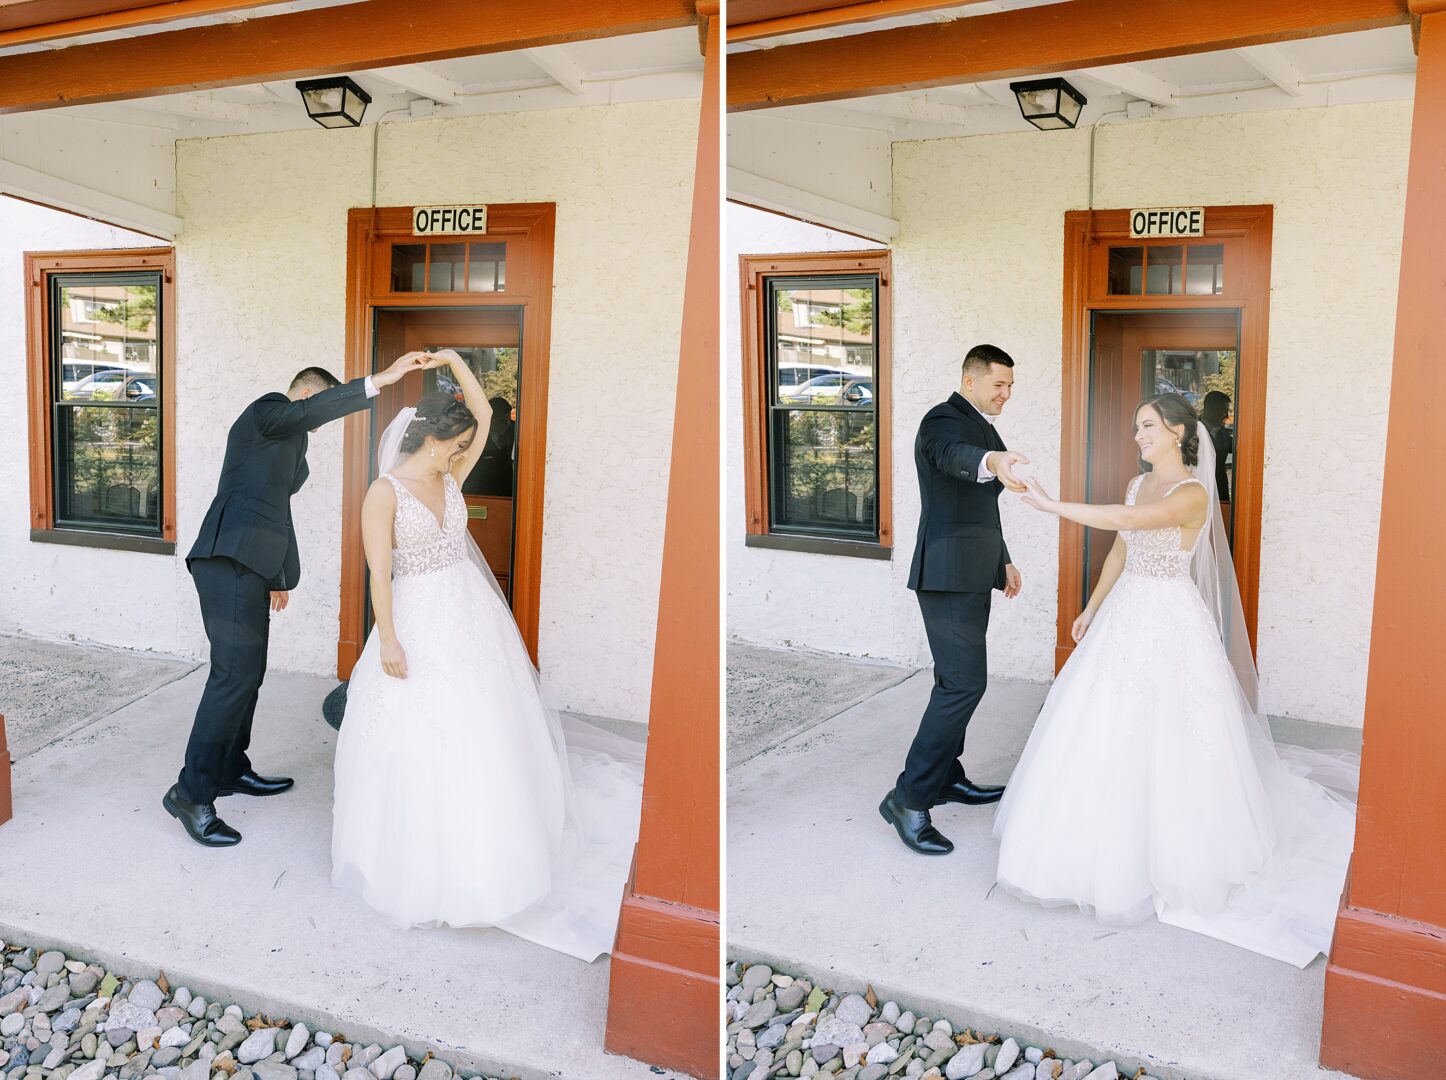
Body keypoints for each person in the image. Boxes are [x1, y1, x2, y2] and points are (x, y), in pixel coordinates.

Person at [994, 393, 1357, 966]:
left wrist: (1053, 505)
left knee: (1174, 729)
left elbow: (1129, 521)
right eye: (1136, 425)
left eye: (1147, 425)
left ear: (1178, 431)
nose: (1137, 434)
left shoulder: (1191, 493)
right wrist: (1092, 606)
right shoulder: (1140, 483)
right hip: (1126, 615)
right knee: (1104, 727)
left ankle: (1176, 852)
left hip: (1170, 617)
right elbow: (1121, 546)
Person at [331, 350, 643, 962]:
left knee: (486, 725)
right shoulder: (383, 492)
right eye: (458, 445)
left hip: (469, 616)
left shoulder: (451, 479)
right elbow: (378, 573)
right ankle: (422, 863)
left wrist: (450, 360)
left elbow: (484, 412)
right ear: (433, 438)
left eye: (465, 446)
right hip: (415, 617)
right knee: (419, 731)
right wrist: (388, 638)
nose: (464, 452)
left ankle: (501, 845)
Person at [164, 353, 428, 848]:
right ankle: (190, 791)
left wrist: (281, 575)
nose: (316, 422)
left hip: (252, 566)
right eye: (317, 406)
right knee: (230, 676)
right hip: (226, 559)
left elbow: (278, 510)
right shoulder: (266, 411)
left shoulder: (291, 442)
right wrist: (381, 380)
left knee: (248, 673)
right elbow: (306, 415)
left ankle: (229, 768)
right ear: (307, 395)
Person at [879, 344, 1031, 856]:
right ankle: (909, 797)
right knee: (964, 685)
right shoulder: (942, 420)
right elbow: (958, 459)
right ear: (969, 380)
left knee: (954, 682)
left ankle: (947, 777)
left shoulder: (983, 422)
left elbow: (980, 506)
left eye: (1010, 386)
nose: (1006, 394)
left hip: (972, 572)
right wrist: (992, 459)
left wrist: (1002, 559)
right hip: (945, 574)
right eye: (999, 385)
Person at [1200, 389, 1234, 500]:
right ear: (1210, 409)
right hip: (1200, 495)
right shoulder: (1192, 432)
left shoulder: (1223, 433)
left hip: (1221, 495)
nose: (1227, 416)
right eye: (1224, 411)